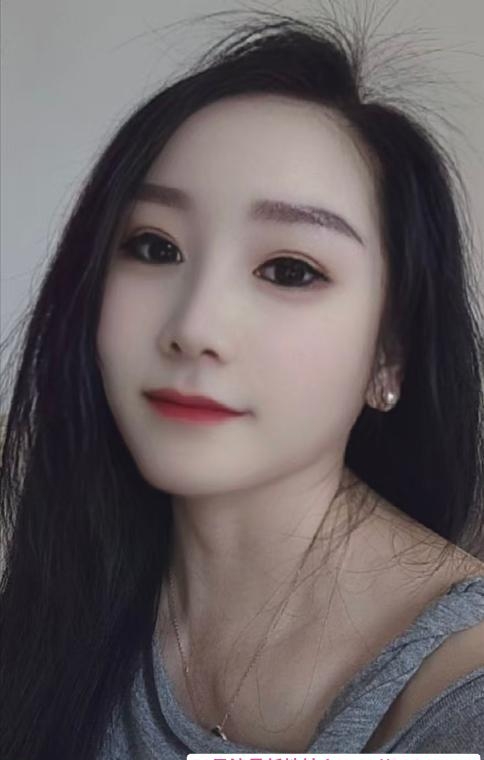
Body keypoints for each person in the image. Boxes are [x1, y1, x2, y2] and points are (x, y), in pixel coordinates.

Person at [1, 5, 484, 759]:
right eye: (154, 247)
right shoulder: (57, 598)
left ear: (389, 355)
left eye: (289, 269)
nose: (194, 326)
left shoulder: (459, 697)